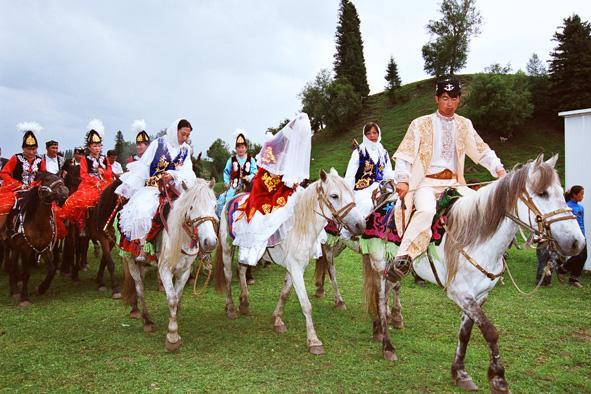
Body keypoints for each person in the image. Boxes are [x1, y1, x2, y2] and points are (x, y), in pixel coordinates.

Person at [386, 79, 506, 283]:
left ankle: (483, 257)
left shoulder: (464, 124)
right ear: (436, 99)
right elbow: (405, 155)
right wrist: (403, 180)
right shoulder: (420, 123)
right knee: (426, 211)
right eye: (444, 98)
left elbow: (481, 150)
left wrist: (499, 169)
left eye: (454, 98)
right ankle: (403, 258)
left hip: (454, 183)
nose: (449, 102)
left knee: (480, 206)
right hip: (425, 183)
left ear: (459, 100)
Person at [231, 113, 312, 266]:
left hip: (283, 187)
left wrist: (294, 181)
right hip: (265, 186)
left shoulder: (295, 147)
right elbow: (268, 172)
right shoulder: (271, 145)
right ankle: (253, 247)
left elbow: (293, 173)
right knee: (261, 216)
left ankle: (302, 245)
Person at [116, 118, 196, 261]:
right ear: (175, 131)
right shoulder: (158, 144)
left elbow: (188, 172)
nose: (185, 138)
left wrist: (172, 175)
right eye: (183, 134)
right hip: (153, 188)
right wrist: (127, 190)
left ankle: (196, 246)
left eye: (187, 135)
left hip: (175, 188)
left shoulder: (186, 150)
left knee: (194, 210)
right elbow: (143, 167)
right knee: (144, 209)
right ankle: (141, 246)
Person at [60, 119, 113, 232]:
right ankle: (82, 225)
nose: (97, 148)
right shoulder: (85, 159)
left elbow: (110, 173)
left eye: (99, 146)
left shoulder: (105, 159)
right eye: (94, 146)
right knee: (82, 201)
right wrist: (95, 181)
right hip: (89, 185)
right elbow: (83, 175)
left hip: (105, 183)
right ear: (89, 147)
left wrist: (103, 172)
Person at [0, 122, 46, 235]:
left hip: (35, 191)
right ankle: (4, 231)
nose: (31, 152)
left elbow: (44, 176)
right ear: (23, 149)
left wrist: (36, 184)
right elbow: (4, 173)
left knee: (49, 208)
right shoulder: (16, 158)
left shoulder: (41, 160)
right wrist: (17, 185)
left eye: (34, 149)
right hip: (17, 190)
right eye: (28, 149)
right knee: (6, 206)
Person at [215, 130, 257, 217]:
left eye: (242, 147)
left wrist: (249, 177)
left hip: (248, 185)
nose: (240, 149)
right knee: (222, 200)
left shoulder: (251, 159)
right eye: (238, 147)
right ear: (236, 148)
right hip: (234, 185)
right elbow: (226, 172)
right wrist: (226, 183)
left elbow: (254, 172)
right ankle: (223, 217)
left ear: (246, 148)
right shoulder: (231, 159)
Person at [559, 185, 586, 288]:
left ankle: (573, 278)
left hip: (582, 236)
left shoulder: (581, 207)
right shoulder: (567, 207)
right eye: (581, 194)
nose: (582, 196)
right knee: (578, 256)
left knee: (583, 257)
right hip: (573, 236)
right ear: (574, 195)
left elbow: (582, 222)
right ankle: (563, 269)